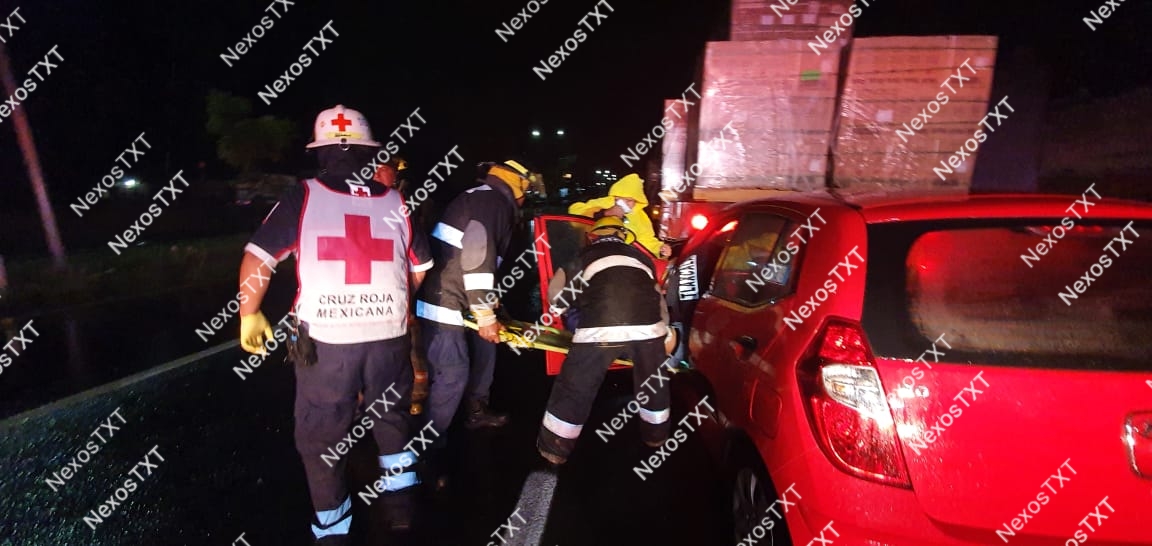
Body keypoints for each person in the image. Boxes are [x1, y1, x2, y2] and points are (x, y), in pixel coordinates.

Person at [238, 105, 433, 544]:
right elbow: (420, 268)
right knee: (391, 418)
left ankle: (333, 530)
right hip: (389, 339)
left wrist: (249, 312)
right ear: (369, 153)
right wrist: (392, 305)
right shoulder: (396, 200)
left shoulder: (303, 196)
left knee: (322, 435)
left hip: (326, 344)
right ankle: (401, 509)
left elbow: (258, 258)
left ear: (320, 152)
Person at [537, 216, 672, 465]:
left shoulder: (583, 256)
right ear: (622, 236)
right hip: (649, 330)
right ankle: (656, 436)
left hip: (600, 330)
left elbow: (558, 294)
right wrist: (664, 331)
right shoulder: (642, 258)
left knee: (575, 386)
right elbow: (658, 298)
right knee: (654, 384)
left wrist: (561, 309)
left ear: (592, 236)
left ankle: (555, 447)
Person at [416, 160, 531, 439]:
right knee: (452, 373)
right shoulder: (492, 203)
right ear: (518, 186)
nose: (526, 199)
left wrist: (488, 302)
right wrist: (485, 314)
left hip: (461, 295)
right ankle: (427, 442)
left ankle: (476, 410)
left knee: (485, 349)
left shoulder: (485, 199)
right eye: (527, 191)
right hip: (444, 299)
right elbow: (477, 256)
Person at [568, 173, 671, 259]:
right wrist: (604, 213)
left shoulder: (640, 217)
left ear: (637, 201)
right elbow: (574, 214)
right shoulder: (605, 203)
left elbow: (647, 240)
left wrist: (660, 249)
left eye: (629, 201)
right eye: (620, 199)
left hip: (626, 258)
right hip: (596, 253)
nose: (625, 203)